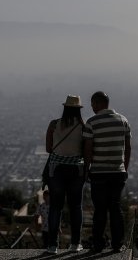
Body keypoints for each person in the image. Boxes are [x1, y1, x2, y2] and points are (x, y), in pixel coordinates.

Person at [83, 91, 131, 253]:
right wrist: (125, 167)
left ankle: (98, 244)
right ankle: (118, 244)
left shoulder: (91, 123)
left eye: (92, 104)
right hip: (118, 172)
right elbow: (128, 147)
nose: (92, 107)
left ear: (98, 103)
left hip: (98, 173)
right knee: (115, 207)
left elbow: (88, 149)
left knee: (100, 210)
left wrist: (86, 169)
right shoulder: (123, 120)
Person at [45, 95, 85, 254]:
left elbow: (49, 148)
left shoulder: (54, 124)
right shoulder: (83, 127)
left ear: (65, 108)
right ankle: (75, 244)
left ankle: (52, 245)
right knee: (75, 207)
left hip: (56, 169)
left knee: (55, 207)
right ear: (78, 110)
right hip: (76, 169)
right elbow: (85, 150)